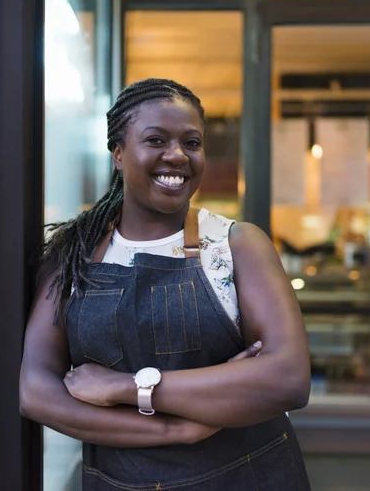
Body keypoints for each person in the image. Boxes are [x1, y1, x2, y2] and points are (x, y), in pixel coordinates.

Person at [19, 78, 312, 490]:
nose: (176, 155)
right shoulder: (73, 255)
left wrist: (126, 388)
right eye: (156, 140)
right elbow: (36, 392)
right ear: (118, 154)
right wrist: (177, 431)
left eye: (191, 143)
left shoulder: (237, 246)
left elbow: (288, 379)